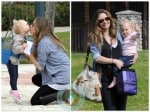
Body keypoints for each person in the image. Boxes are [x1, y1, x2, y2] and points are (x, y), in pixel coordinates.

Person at [88, 9, 138, 110]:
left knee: (121, 108)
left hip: (122, 77)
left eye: (107, 18)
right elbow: (96, 57)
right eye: (101, 20)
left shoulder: (118, 34)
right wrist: (114, 61)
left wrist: (135, 54)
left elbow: (129, 45)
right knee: (110, 108)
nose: (105, 22)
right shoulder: (95, 37)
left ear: (110, 19)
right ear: (97, 23)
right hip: (104, 79)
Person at [29, 17, 70, 105]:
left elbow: (40, 67)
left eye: (32, 25)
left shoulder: (44, 43)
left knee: (34, 101)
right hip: (63, 75)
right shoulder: (46, 40)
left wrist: (31, 56)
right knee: (36, 79)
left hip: (61, 78)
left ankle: (62, 95)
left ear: (38, 28)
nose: (30, 26)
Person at [108, 18, 140, 88]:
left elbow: (136, 35)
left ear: (131, 29)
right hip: (124, 56)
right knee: (118, 67)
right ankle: (118, 81)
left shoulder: (132, 35)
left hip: (129, 57)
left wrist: (138, 31)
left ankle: (115, 80)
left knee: (116, 66)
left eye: (126, 29)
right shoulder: (124, 37)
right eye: (122, 30)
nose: (124, 32)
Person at [7, 19, 29, 102]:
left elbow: (20, 51)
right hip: (11, 61)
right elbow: (15, 50)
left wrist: (25, 54)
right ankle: (14, 91)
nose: (28, 25)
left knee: (16, 75)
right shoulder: (18, 38)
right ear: (21, 29)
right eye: (26, 24)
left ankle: (13, 89)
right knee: (14, 76)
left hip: (14, 61)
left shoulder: (23, 37)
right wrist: (23, 47)